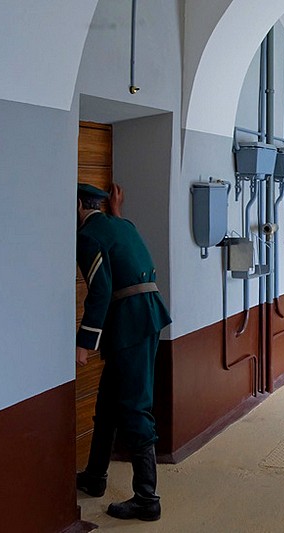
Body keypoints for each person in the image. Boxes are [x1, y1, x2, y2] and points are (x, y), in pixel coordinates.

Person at [74, 183, 172, 522]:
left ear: (77, 206)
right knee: (107, 404)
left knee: (133, 406)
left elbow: (100, 289)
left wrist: (85, 342)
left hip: (129, 323)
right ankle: (95, 476)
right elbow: (123, 251)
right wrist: (116, 210)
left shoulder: (88, 236)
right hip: (143, 317)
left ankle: (147, 499)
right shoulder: (120, 224)